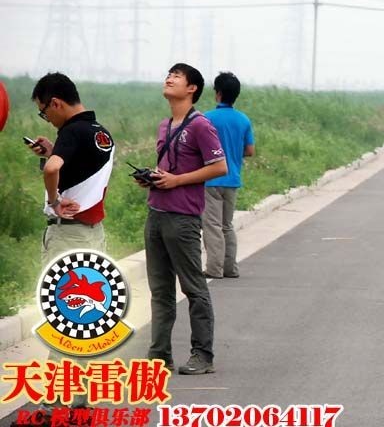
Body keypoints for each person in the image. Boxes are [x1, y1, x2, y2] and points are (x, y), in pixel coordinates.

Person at [136, 63, 227, 375]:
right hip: (156, 213)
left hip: (183, 218)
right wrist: (154, 178)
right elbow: (170, 167)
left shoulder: (201, 125)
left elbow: (219, 167)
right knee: (160, 291)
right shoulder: (166, 125)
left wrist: (177, 181)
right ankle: (159, 354)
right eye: (169, 74)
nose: (169, 78)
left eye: (177, 76)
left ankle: (203, 355)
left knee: (194, 288)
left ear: (192, 89)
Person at [28, 72, 115, 261]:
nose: (47, 119)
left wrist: (54, 202)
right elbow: (83, 170)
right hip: (94, 234)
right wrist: (52, 152)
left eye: (44, 112)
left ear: (55, 103)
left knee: (61, 289)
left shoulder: (71, 131)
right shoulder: (102, 133)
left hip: (68, 235)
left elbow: (52, 169)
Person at [202, 72, 255, 279]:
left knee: (212, 225)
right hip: (232, 179)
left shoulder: (206, 119)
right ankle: (230, 267)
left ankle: (214, 269)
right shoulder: (243, 120)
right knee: (227, 225)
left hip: (211, 179)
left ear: (218, 93)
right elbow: (250, 151)